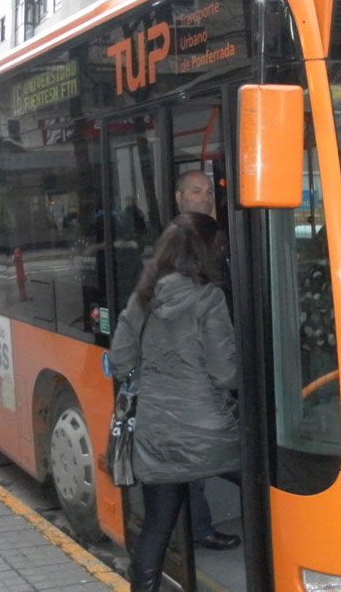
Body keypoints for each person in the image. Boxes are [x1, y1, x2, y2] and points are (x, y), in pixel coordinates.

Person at [110, 212, 240, 590]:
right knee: (274, 481)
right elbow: (226, 373)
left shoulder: (140, 300)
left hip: (156, 434)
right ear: (205, 252)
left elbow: (120, 362)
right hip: (209, 432)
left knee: (157, 525)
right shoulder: (208, 298)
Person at [174, 169, 241, 551]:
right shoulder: (181, 242)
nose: (204, 197)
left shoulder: (217, 235)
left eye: (208, 191)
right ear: (179, 198)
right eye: (195, 191)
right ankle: (197, 528)